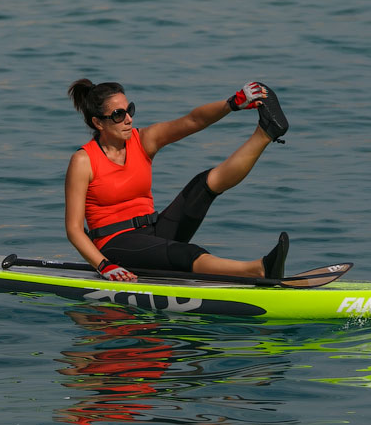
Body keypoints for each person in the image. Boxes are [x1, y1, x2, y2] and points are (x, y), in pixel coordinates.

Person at [65, 79, 290, 282]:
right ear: (98, 123)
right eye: (118, 114)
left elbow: (192, 121)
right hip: (115, 245)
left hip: (155, 229)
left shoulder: (142, 140)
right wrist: (104, 265)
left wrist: (232, 103)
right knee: (186, 253)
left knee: (203, 184)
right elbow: (74, 229)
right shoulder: (84, 161)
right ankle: (256, 270)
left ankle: (265, 133)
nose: (129, 119)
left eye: (129, 110)